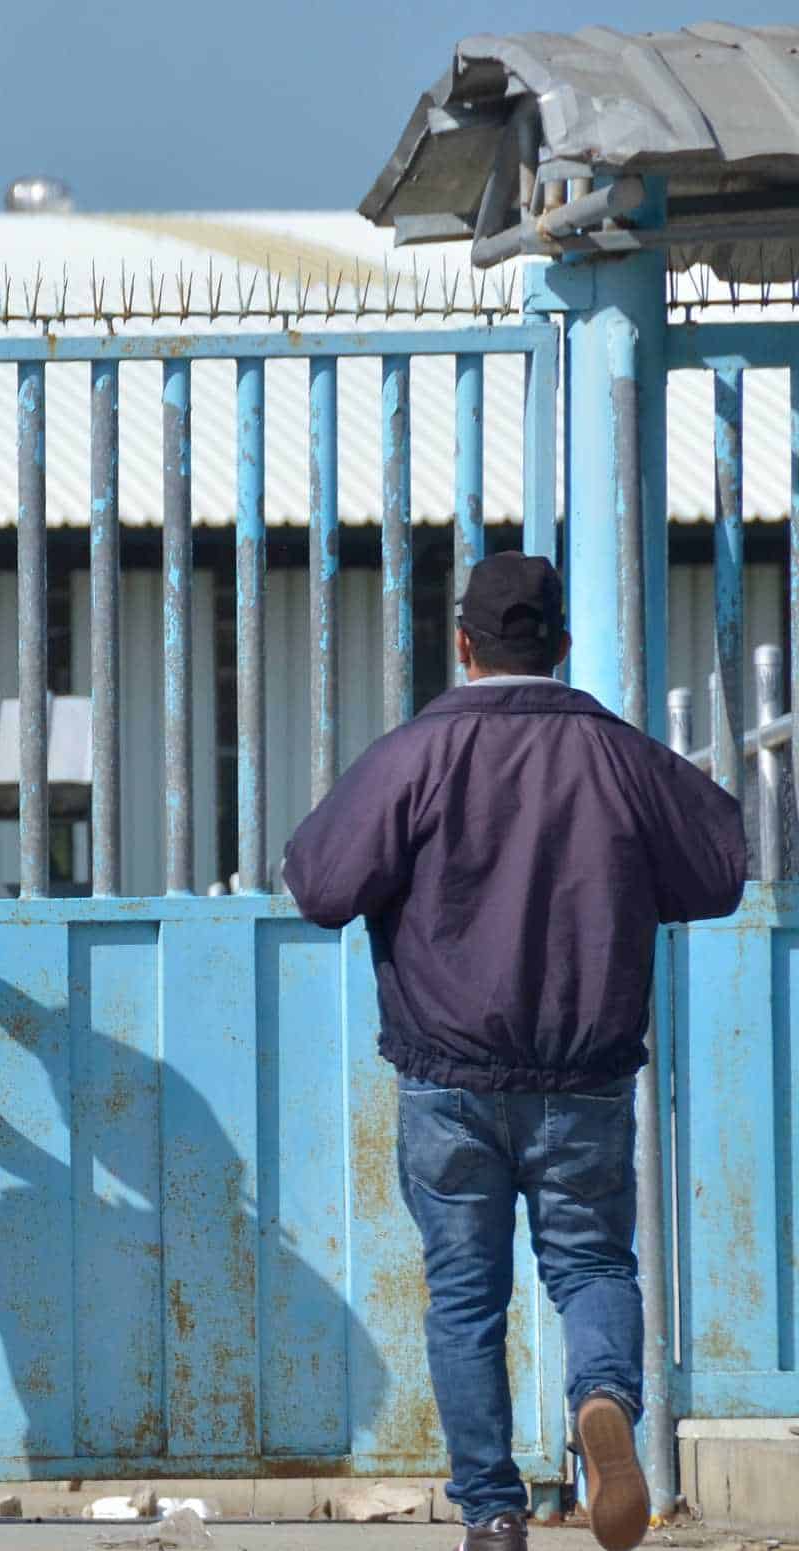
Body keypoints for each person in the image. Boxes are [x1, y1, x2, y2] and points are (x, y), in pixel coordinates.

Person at [285, 553, 746, 1551]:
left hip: (448, 1077)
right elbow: (717, 870)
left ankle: (491, 1512)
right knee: (589, 1268)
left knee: (463, 1296)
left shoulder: (418, 752)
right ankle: (603, 1403)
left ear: (463, 644)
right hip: (584, 1074)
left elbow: (320, 884)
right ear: (562, 645)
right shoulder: (618, 754)